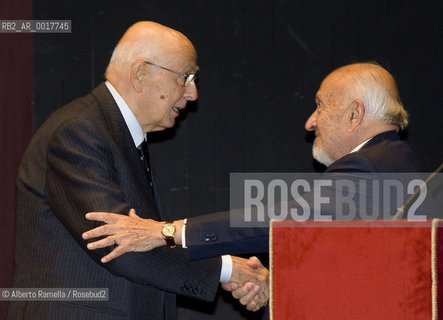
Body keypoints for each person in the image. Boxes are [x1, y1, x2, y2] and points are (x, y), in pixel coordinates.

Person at [82, 62, 421, 310]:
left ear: (354, 114)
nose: (310, 121)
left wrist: (167, 232)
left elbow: (283, 219)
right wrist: (276, 285)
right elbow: (357, 272)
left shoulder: (369, 167)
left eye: (320, 104)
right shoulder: (393, 161)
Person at [7, 21, 268, 320]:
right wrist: (225, 269)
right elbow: (118, 245)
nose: (193, 93)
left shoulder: (119, 137)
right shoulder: (78, 131)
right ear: (140, 73)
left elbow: (143, 238)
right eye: (185, 77)